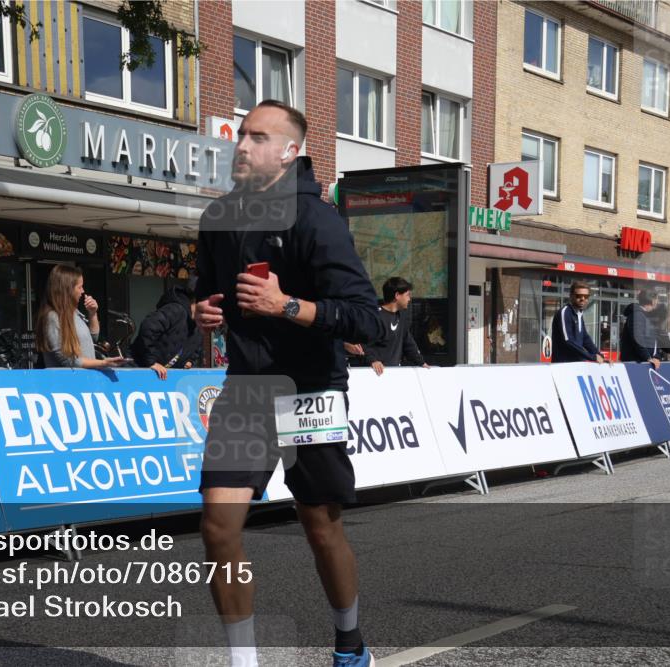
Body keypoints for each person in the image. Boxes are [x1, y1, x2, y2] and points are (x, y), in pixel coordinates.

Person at [194, 99, 382, 667]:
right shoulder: (218, 218)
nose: (241, 145)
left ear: (288, 152)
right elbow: (201, 293)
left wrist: (288, 305)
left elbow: (366, 320)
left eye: (257, 137)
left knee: (320, 528)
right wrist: (201, 310)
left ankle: (350, 644)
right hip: (248, 389)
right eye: (241, 134)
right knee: (217, 527)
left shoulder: (317, 219)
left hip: (310, 391)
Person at [34, 264, 126, 370]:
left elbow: (93, 338)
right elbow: (69, 361)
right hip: (69, 379)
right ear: (67, 290)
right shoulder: (52, 318)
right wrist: (103, 362)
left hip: (84, 378)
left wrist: (93, 314)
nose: (83, 291)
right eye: (79, 287)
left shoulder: (75, 313)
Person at [345, 277, 428, 375]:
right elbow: (361, 345)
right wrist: (372, 360)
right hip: (375, 374)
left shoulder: (401, 316)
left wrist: (422, 363)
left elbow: (408, 343)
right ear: (397, 295)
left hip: (394, 373)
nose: (409, 299)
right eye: (407, 295)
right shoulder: (375, 317)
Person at [130, 284, 202, 379]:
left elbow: (196, 348)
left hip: (162, 377)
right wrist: (151, 362)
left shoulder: (197, 326)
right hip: (138, 368)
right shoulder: (176, 310)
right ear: (197, 302)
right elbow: (149, 327)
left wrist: (190, 361)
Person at [550, 281, 606, 364]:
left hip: (577, 364)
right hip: (563, 365)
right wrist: (592, 357)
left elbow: (585, 338)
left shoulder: (579, 314)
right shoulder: (565, 313)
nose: (582, 299)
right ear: (571, 296)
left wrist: (600, 356)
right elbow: (568, 341)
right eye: (578, 296)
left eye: (586, 296)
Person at [619, 289, 661, 370]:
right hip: (636, 364)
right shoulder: (637, 315)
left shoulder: (647, 316)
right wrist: (648, 357)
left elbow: (654, 341)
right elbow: (638, 339)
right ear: (653, 301)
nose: (658, 301)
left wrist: (656, 356)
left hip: (646, 363)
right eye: (657, 299)